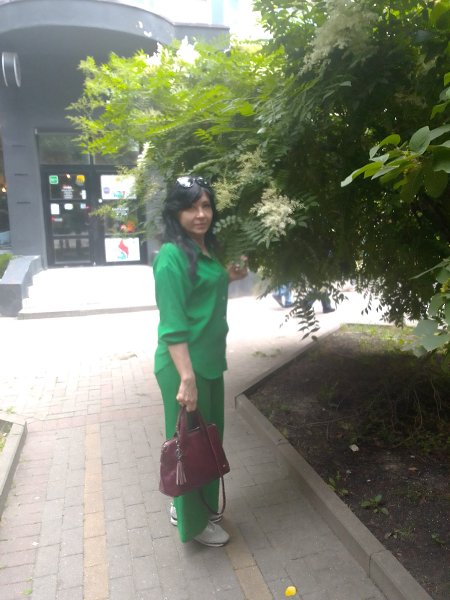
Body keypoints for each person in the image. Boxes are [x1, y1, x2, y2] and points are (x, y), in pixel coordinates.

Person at [153, 175, 248, 547]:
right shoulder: (170, 257)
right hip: (185, 367)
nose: (201, 214)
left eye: (206, 205)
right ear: (175, 212)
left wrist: (228, 277)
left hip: (208, 362)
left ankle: (194, 507)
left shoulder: (203, 248)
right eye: (191, 207)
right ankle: (193, 526)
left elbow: (201, 292)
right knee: (189, 447)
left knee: (207, 442)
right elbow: (173, 326)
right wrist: (186, 378)